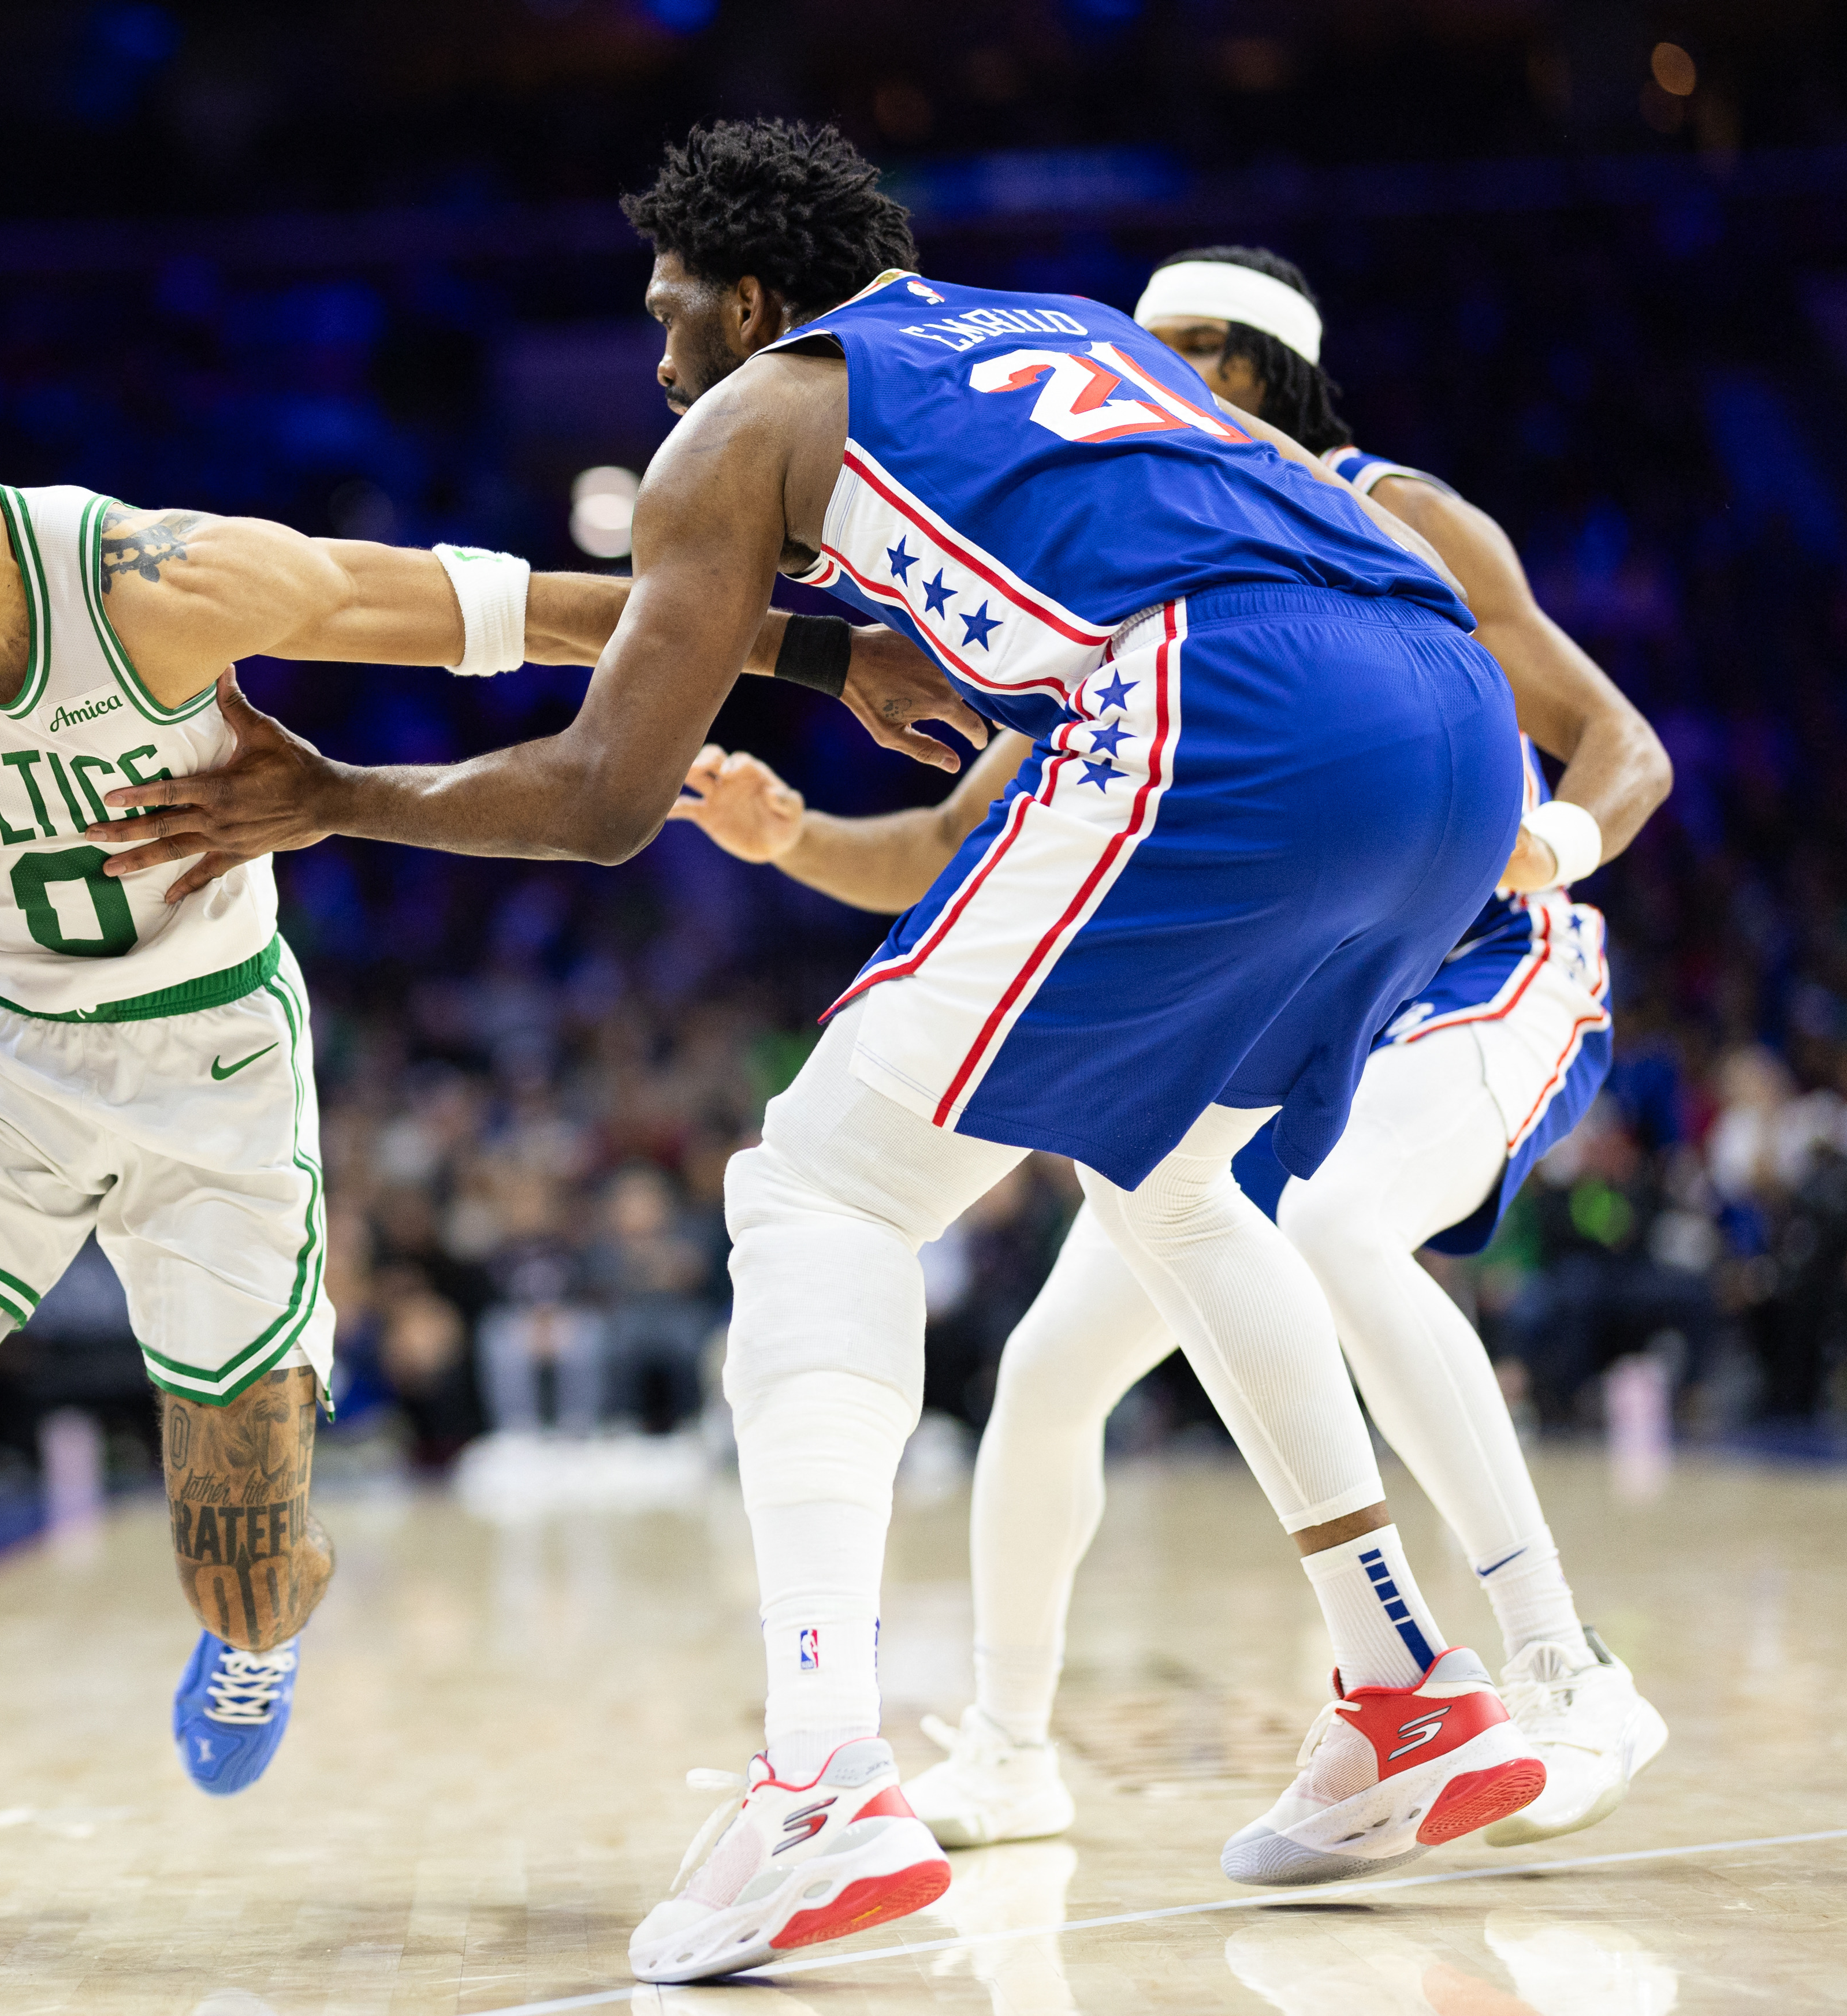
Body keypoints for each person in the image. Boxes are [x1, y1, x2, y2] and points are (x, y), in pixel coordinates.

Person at [84, 120, 1539, 1978]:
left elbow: (606, 794)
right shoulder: (1049, 321)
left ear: (748, 298)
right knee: (1167, 1174)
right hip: (1442, 721)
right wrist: (848, 656)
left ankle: (818, 1778)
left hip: (1223, 704)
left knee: (814, 1182)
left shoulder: (748, 415)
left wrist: (335, 795)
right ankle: (1407, 1683)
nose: (657, 353)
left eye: (667, 310)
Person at [0, 304, 892, 1947]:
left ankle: (252, 1624)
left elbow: (500, 609)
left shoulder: (153, 583)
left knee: (241, 1562)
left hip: (208, 1062)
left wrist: (817, 649)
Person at [671, 240, 1677, 1863]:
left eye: (1188, 350)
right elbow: (956, 836)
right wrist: (787, 836)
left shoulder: (1389, 511)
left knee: (1332, 1224)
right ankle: (1012, 1752)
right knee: (1056, 1368)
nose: (1145, 378)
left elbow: (1621, 743)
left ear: (1264, 368)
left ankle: (1562, 1665)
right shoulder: (1130, 537)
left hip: (1478, 963)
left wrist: (1546, 845)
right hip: (1271, 966)